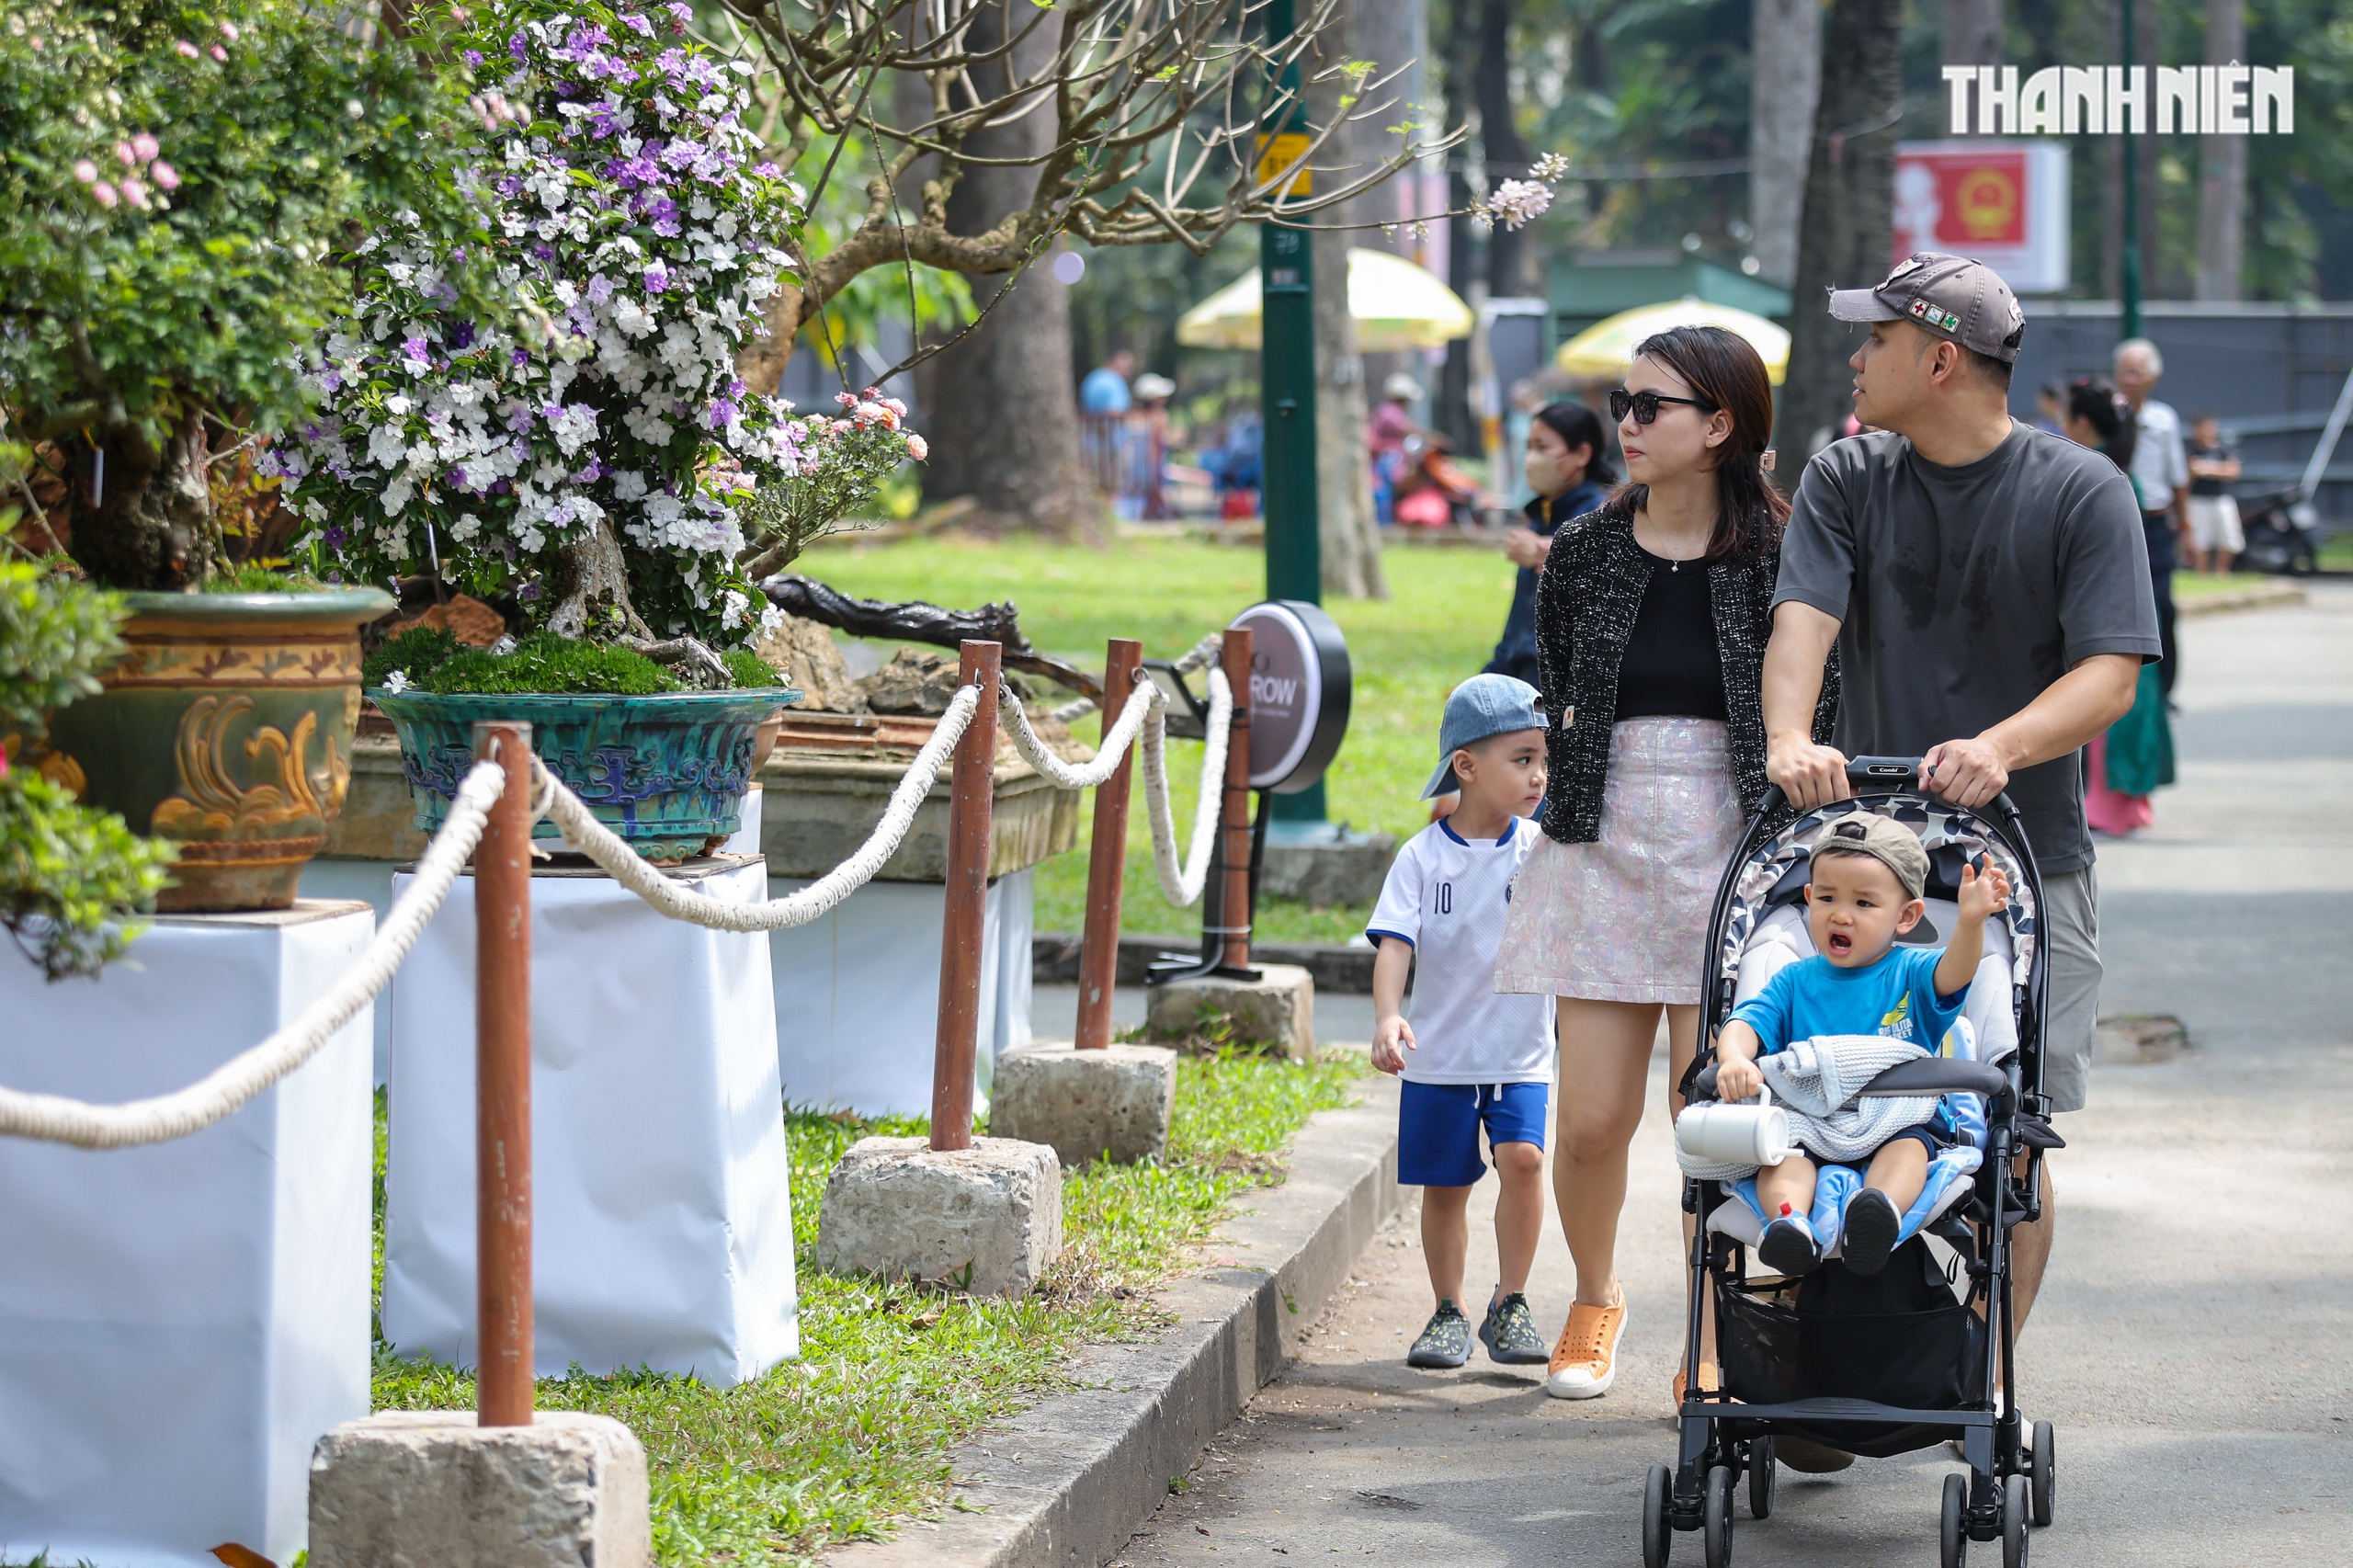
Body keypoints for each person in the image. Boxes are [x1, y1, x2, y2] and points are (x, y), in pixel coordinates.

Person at [1760, 251, 2159, 1360]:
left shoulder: (2082, 489)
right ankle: (1811, 1352)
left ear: (1938, 358)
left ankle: (1967, 1374)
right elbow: (1802, 621)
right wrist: (1789, 738)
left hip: (2028, 866)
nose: (1854, 357)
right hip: (1869, 869)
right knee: (1815, 1112)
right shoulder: (1848, 478)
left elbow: (2110, 672)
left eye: (1874, 339)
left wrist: (1998, 746)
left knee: (2010, 1138)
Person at [1492, 324, 1839, 1402]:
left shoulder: (1788, 553)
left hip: (1736, 846)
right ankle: (1595, 1297)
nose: (1625, 425)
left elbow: (1814, 699)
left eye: (1650, 406)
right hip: (1600, 838)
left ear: (1720, 424)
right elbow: (1562, 689)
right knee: (1592, 1117)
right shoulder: (1586, 553)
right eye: (1620, 403)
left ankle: (1718, 1330)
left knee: (1721, 1114)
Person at [1714, 814, 2013, 1278]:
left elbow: (1955, 975)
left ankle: (1878, 1213)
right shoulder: (1794, 980)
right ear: (1809, 898)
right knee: (1784, 1156)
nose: (1841, 914)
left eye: (1864, 903)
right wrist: (1734, 1057)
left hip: (1894, 1115)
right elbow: (1746, 1022)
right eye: (1828, 898)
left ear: (1907, 917)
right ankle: (1789, 1224)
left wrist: (1971, 923)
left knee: (1911, 1149)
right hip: (1813, 1119)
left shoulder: (1913, 971)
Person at [1368, 675, 1555, 1370]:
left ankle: (1511, 1303)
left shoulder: (1543, 850)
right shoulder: (1422, 857)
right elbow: (1395, 946)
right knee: (1446, 1185)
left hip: (1521, 1052)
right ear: (1466, 766)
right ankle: (1448, 1310)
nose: (1538, 776)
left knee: (1525, 1160)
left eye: (1542, 758)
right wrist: (1390, 1018)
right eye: (1521, 759)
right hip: (1441, 1054)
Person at [2061, 378, 2174, 835]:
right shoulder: (2120, 474)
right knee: (2133, 709)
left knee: (2108, 710)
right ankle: (2125, 804)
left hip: (2107, 609)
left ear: (2083, 423)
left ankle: (2105, 804)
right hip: (2133, 608)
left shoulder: (2093, 477)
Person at [1483, 401, 1615, 686]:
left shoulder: (1602, 516)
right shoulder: (1540, 519)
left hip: (1564, 683)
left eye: (1542, 447)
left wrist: (1546, 556)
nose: (1531, 458)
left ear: (1581, 453)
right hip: (1520, 675)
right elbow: (1517, 626)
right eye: (1529, 447)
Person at [2114, 338, 2188, 699]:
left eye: (2137, 371)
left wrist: (2185, 527)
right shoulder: (2110, 415)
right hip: (2117, 520)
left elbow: (2179, 478)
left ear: (2153, 378)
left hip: (2155, 523)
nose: (2130, 379)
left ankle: (2164, 689)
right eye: (2124, 371)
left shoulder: (2164, 420)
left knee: (2164, 607)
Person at [2186, 411, 2245, 575]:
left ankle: (2221, 572)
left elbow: (2233, 472)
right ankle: (2201, 573)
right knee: (2200, 541)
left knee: (2231, 538)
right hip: (2197, 500)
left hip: (2221, 499)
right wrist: (2216, 469)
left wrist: (2206, 468)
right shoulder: (2190, 449)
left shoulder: (2224, 449)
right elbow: (2188, 473)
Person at [1079, 348, 1137, 415]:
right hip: (1110, 425)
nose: (1129, 372)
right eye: (1128, 368)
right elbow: (1115, 411)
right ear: (1114, 362)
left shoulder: (1093, 376)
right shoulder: (1115, 381)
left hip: (1090, 424)